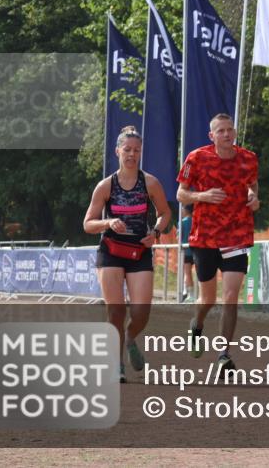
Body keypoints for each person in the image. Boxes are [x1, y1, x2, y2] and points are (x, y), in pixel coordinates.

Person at [83, 126, 171, 383]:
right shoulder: (105, 186)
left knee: (142, 311)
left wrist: (154, 232)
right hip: (111, 250)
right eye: (127, 150)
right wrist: (108, 223)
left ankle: (131, 337)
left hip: (139, 250)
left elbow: (165, 213)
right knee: (116, 311)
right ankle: (116, 363)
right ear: (117, 151)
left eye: (136, 150)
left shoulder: (150, 183)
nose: (132, 154)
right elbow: (87, 224)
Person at [176, 113, 259, 377]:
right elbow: (180, 194)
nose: (226, 134)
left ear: (234, 133)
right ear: (211, 136)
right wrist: (203, 196)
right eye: (220, 131)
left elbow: (253, 186)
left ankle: (224, 354)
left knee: (231, 297)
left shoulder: (248, 158)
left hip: (237, 234)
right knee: (208, 299)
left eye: (229, 129)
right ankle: (197, 323)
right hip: (206, 237)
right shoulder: (197, 158)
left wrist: (253, 198)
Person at [179, 204, 195, 302]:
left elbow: (178, 238)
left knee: (187, 273)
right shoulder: (196, 222)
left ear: (186, 210)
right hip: (196, 251)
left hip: (186, 252)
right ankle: (186, 292)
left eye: (183, 208)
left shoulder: (182, 222)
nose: (181, 211)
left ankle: (191, 294)